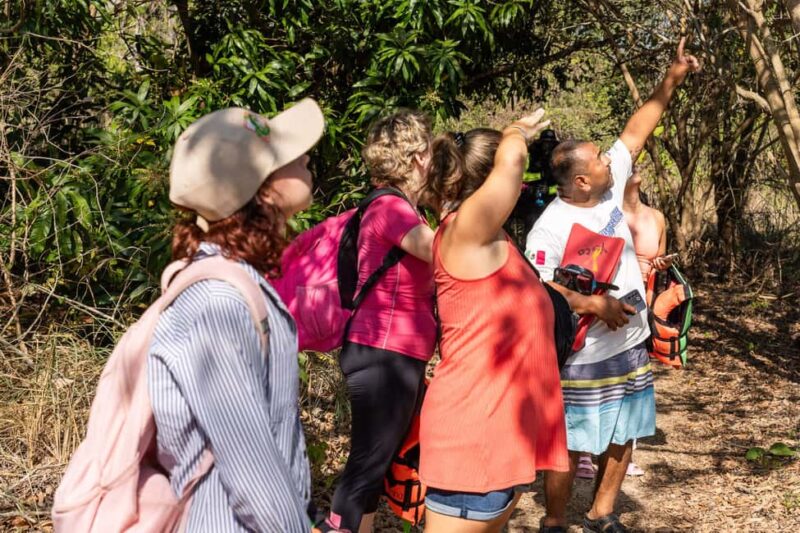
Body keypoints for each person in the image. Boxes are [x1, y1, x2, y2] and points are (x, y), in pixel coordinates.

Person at [526, 39, 700, 532]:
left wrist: (672, 77)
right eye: (599, 160)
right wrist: (590, 303)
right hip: (581, 356)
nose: (611, 159)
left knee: (626, 433)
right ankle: (555, 520)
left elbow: (635, 131)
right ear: (581, 180)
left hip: (630, 343)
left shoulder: (607, 189)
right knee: (570, 440)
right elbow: (535, 290)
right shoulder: (549, 228)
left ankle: (602, 513)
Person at [148, 100, 324, 532]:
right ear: (262, 191)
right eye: (286, 156)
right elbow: (252, 471)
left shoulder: (239, 283)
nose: (304, 157)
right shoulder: (218, 305)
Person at [418, 110, 569, 533]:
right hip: (472, 435)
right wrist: (517, 132)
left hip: (502, 434)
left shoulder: (493, 240)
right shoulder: (468, 231)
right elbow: (510, 165)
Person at [326, 110, 437, 533]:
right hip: (385, 352)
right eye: (428, 150)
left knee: (373, 467)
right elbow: (442, 252)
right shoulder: (392, 207)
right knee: (366, 466)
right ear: (415, 156)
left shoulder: (399, 206)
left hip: (390, 352)